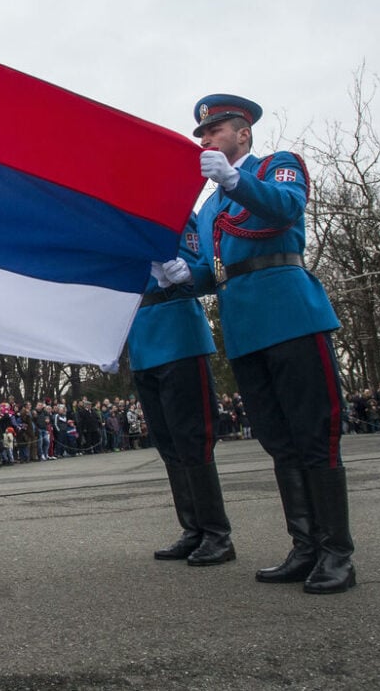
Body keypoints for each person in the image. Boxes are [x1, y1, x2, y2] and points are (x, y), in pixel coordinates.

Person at [162, 93, 355, 594]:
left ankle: (337, 553)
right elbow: (215, 271)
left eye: (214, 131)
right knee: (279, 441)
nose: (204, 140)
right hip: (245, 328)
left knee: (315, 436)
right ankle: (306, 546)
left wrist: (234, 180)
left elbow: (287, 209)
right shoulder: (208, 208)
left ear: (242, 133)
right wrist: (182, 276)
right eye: (201, 134)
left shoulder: (277, 166)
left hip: (290, 314)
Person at [127, 215, 235, 566]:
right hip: (141, 338)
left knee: (193, 439)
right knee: (168, 442)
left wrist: (183, 273)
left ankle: (216, 534)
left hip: (178, 332)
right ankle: (192, 529)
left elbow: (200, 269)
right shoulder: (120, 221)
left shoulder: (176, 212)